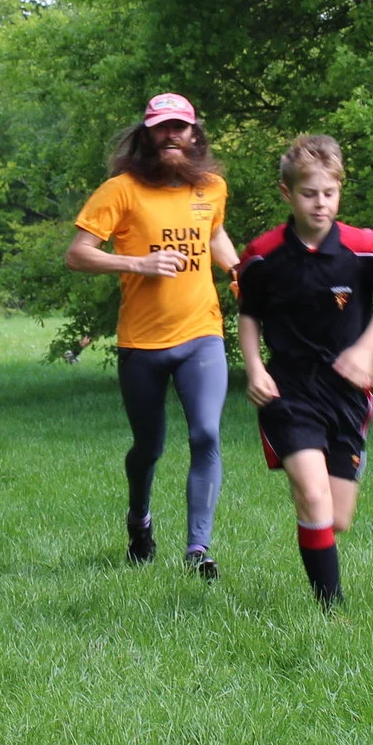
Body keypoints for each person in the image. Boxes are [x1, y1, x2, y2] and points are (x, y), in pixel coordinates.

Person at [66, 93, 238, 578]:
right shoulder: (119, 190)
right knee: (149, 447)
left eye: (179, 127)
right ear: (146, 135)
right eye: (162, 127)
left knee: (205, 433)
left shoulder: (212, 188)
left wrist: (241, 269)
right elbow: (78, 254)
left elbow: (214, 234)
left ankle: (197, 549)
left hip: (201, 334)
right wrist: (137, 262)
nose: (171, 136)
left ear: (194, 134)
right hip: (141, 343)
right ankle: (139, 518)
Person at [236, 135, 373, 608]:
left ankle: (313, 501)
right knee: (313, 497)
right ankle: (332, 614)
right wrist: (253, 368)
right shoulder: (262, 255)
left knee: (336, 518)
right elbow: (248, 313)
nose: (320, 203)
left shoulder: (367, 247)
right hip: (287, 391)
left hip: (347, 394)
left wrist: (368, 350)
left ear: (340, 191)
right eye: (309, 193)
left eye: (329, 193)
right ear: (286, 193)